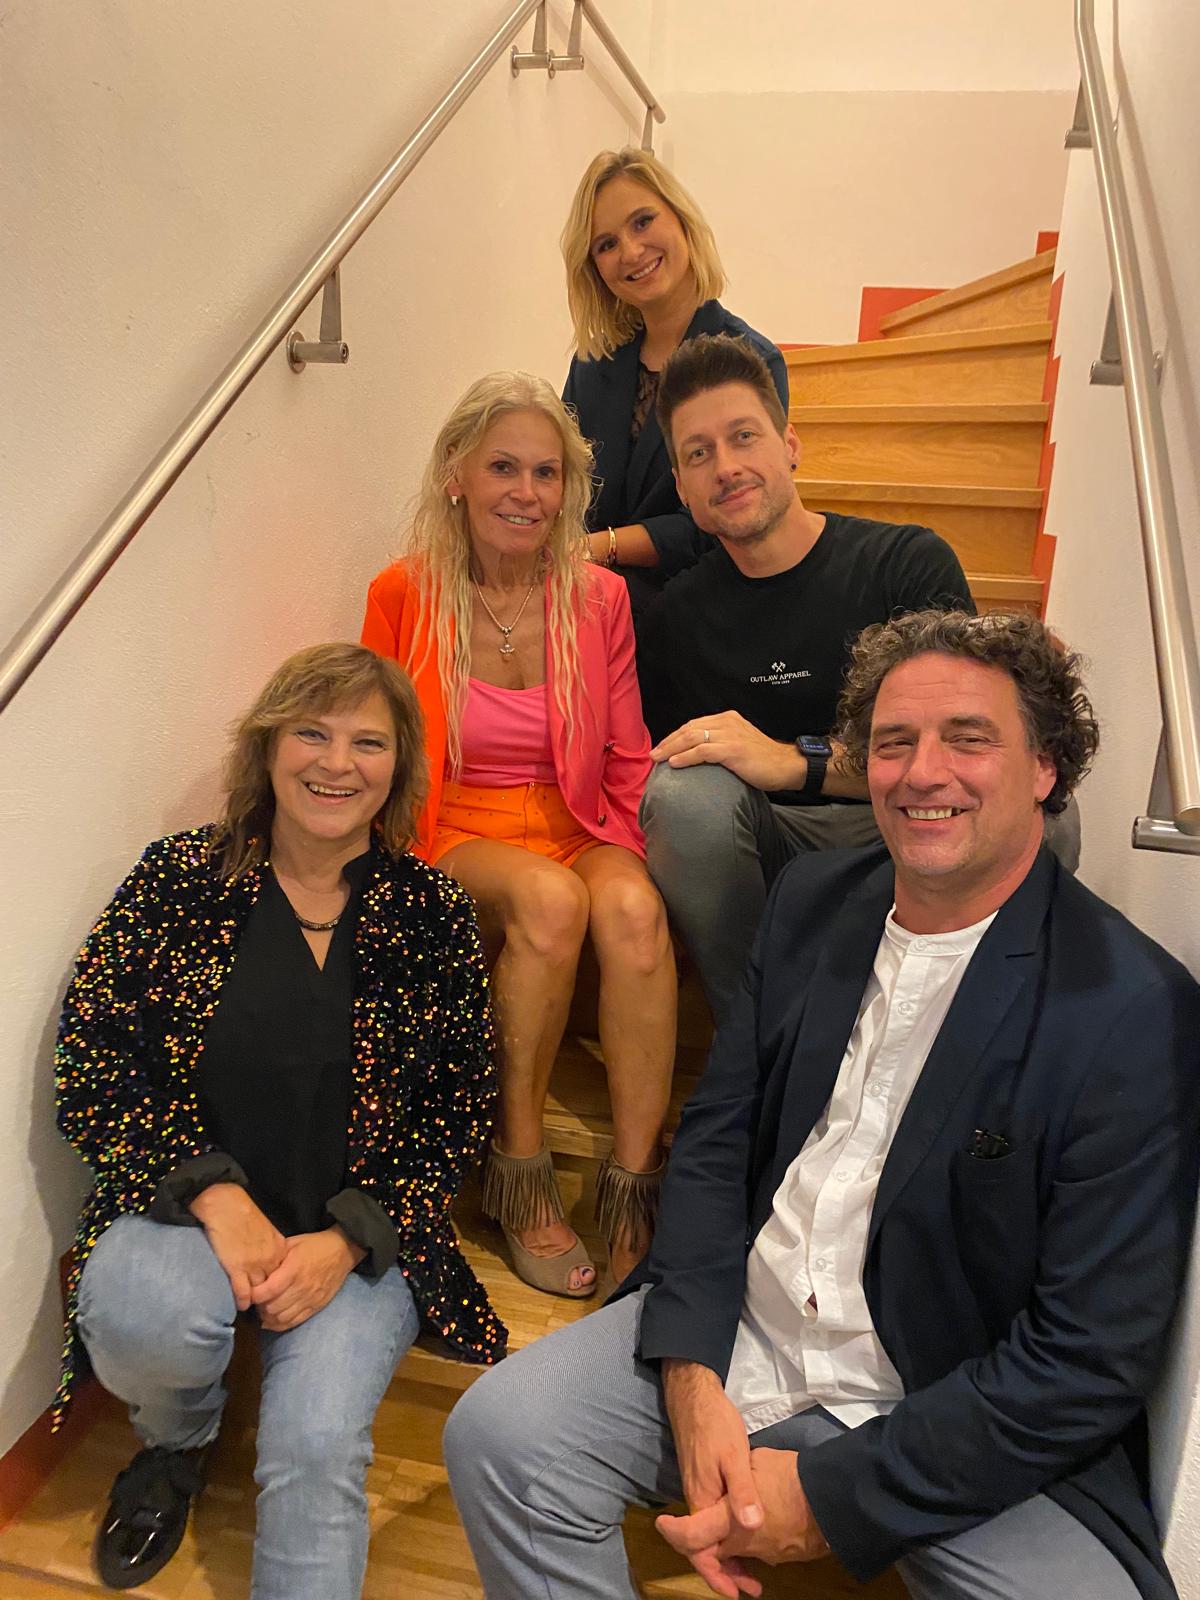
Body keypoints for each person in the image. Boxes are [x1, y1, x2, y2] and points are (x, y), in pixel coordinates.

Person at [444, 609, 1200, 1600]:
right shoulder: (812, 900)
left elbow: (1087, 1357)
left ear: (1045, 767)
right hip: (747, 1340)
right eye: (894, 742)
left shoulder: (1132, 1006)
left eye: (968, 738)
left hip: (945, 1400)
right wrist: (690, 1369)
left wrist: (828, 1498)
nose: (923, 772)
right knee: (499, 1435)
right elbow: (717, 1141)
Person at [53, 643, 503, 1598]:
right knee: (142, 1317)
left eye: (368, 742)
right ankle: (177, 1441)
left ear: (399, 768)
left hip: (358, 1240)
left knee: (315, 1451)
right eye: (311, 732)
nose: (337, 763)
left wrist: (350, 1237)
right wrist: (214, 1195)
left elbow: (458, 1107)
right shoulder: (181, 879)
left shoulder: (434, 912)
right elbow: (94, 1061)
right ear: (266, 748)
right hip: (185, 1217)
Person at [361, 371, 675, 1300]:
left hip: (574, 819)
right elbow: (379, 741)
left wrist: (629, 855)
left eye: (546, 473)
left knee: (633, 915)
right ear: (456, 473)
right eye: (504, 467)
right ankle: (519, 1172)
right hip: (454, 824)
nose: (526, 493)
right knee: (548, 901)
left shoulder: (598, 597)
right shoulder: (404, 593)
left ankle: (635, 1190)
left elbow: (626, 749)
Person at [636, 330, 979, 1026]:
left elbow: (966, 750)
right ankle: (758, 1034)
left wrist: (794, 761)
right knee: (681, 797)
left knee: (1043, 816)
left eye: (744, 436)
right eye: (699, 453)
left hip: (907, 821)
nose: (726, 467)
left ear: (789, 444)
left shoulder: (904, 564)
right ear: (681, 488)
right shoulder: (675, 617)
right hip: (772, 846)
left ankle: (952, 1037)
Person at [561, 147, 788, 612]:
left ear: (681, 219)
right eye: (606, 244)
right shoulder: (591, 367)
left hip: (700, 608)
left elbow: (730, 514)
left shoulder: (750, 360)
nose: (630, 252)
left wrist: (596, 547)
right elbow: (565, 491)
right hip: (589, 606)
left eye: (643, 222)